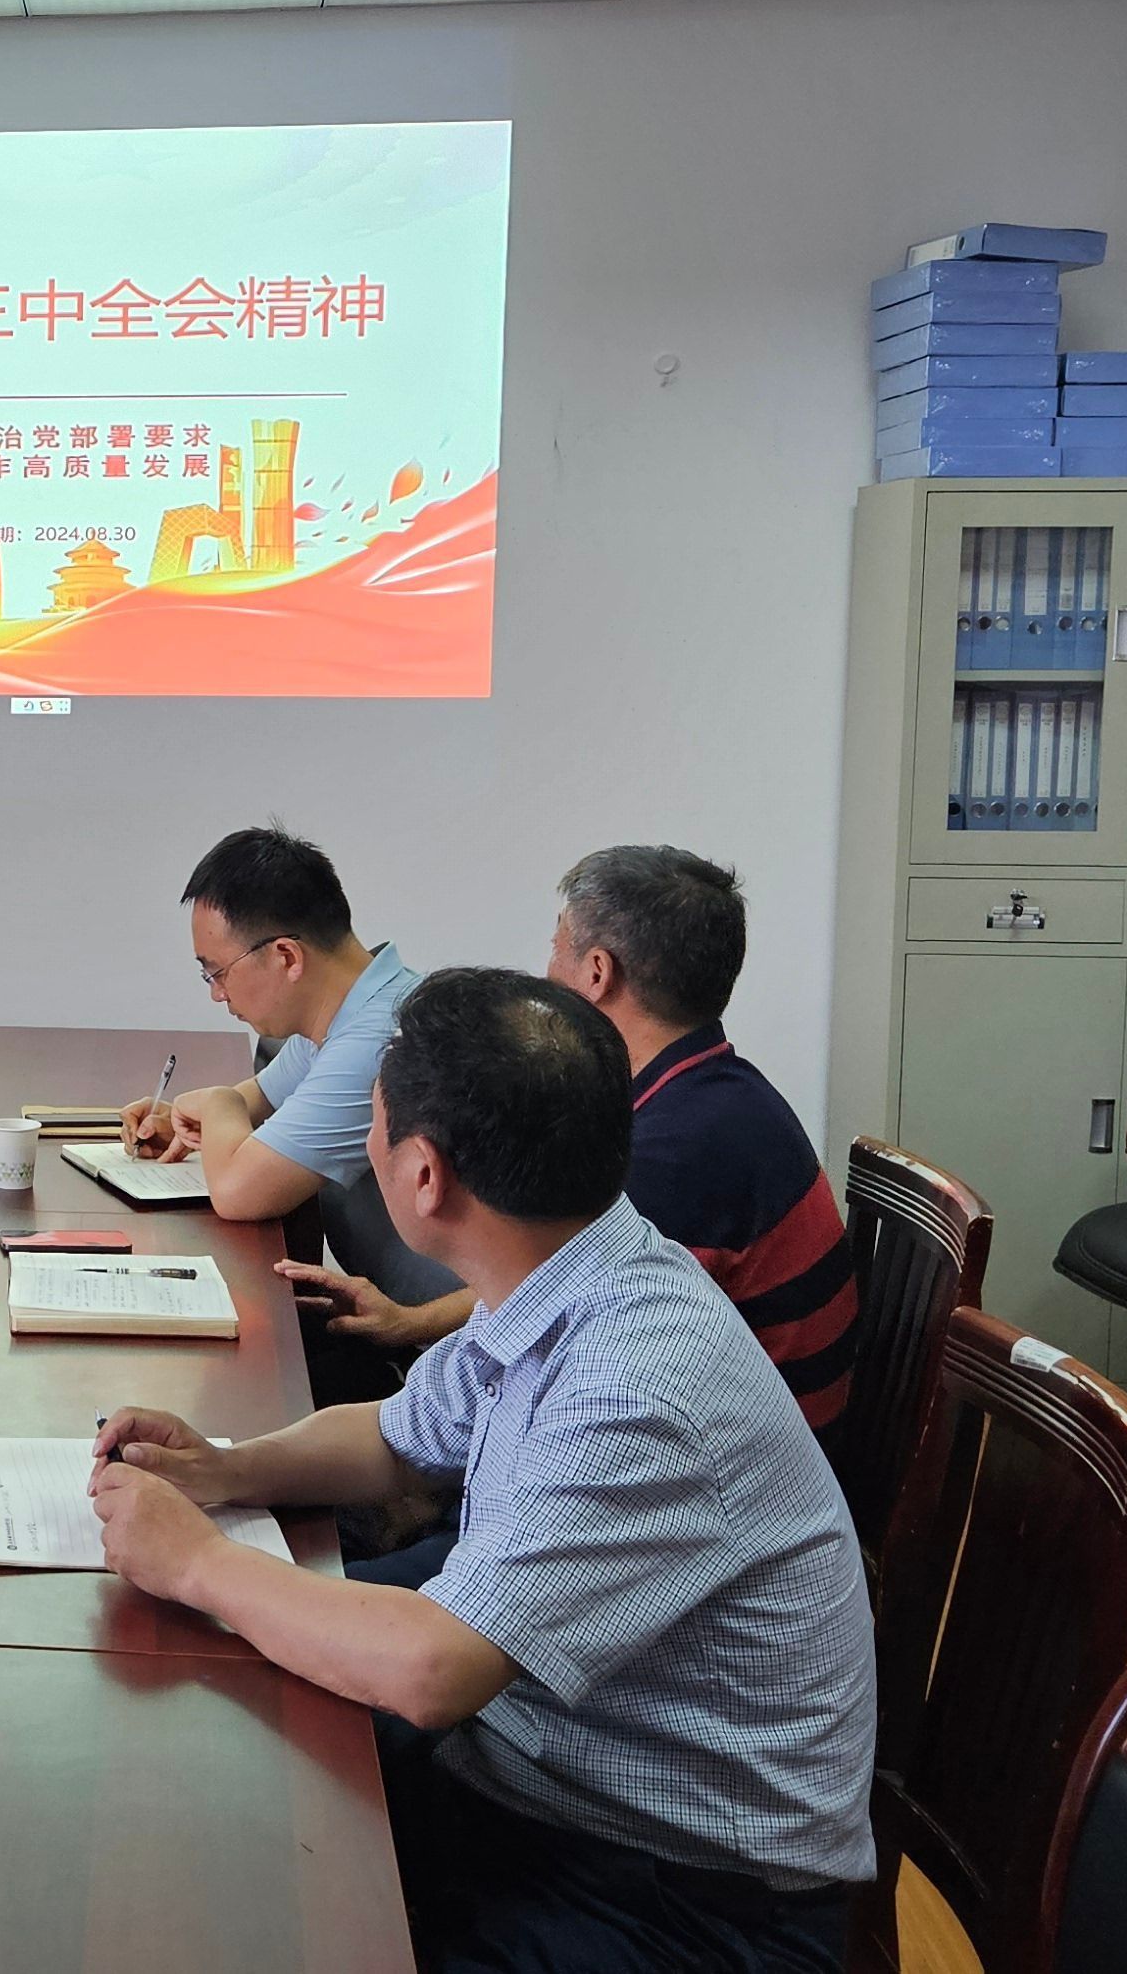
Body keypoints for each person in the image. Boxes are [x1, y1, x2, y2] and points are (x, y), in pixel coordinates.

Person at [89, 970, 874, 1973]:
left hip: (681, 1898)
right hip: (540, 1777)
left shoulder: (635, 1385)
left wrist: (200, 1562)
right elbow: (395, 1435)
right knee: (215, 1797)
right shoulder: (571, 1263)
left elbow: (434, 1669)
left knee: (246, 1895)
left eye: (374, 1121)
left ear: (423, 1175)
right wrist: (225, 1468)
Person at [275, 847, 860, 1430]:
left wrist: (410, 1326)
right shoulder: (715, 1090)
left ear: (598, 972)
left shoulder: (673, 1150)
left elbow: (552, 1304)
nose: (546, 973)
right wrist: (407, 1325)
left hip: (720, 1451)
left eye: (557, 947)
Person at [117, 828, 448, 1340]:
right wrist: (188, 1121)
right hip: (396, 1313)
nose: (217, 994)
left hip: (446, 1342)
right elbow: (258, 1101)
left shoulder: (380, 1038)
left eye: (218, 973)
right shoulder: (353, 1007)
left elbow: (238, 1191)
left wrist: (216, 1104)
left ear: (287, 957)